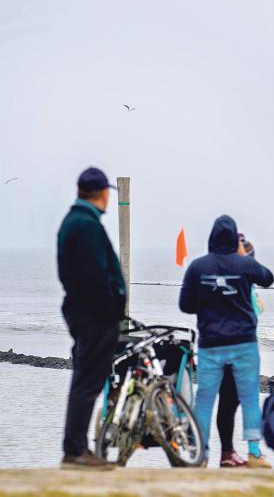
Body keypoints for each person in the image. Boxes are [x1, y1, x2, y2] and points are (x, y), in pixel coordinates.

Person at [179, 215, 274, 467]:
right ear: (235, 239)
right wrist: (242, 257)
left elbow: (185, 305)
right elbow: (268, 278)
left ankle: (200, 455)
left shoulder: (197, 267)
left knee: (205, 400)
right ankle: (254, 453)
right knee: (250, 398)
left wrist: (209, 299)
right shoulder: (244, 265)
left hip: (211, 344)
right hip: (244, 343)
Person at [56, 167, 127, 470]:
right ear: (102, 193)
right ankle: (75, 449)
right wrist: (111, 309)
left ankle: (77, 447)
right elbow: (94, 276)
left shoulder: (76, 222)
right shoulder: (85, 225)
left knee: (86, 379)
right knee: (88, 381)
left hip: (84, 312)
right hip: (95, 316)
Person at [215, 236, 263, 468]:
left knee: (227, 403)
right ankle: (253, 451)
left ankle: (225, 452)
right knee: (247, 402)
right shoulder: (245, 286)